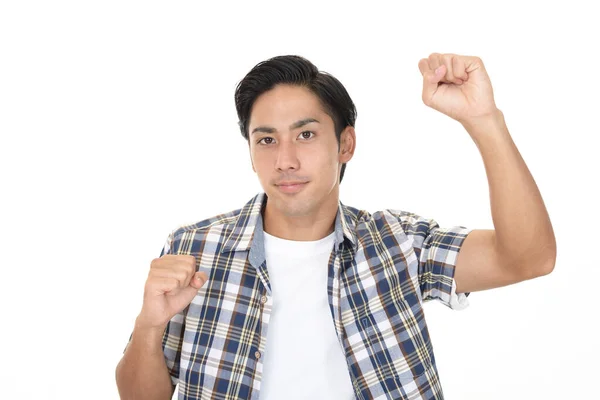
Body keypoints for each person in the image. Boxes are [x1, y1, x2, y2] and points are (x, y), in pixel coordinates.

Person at [115, 53, 556, 400]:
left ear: (345, 144)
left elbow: (528, 257)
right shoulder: (196, 248)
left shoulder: (398, 244)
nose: (284, 159)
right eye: (266, 139)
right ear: (250, 151)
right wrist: (150, 325)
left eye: (305, 134)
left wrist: (484, 121)